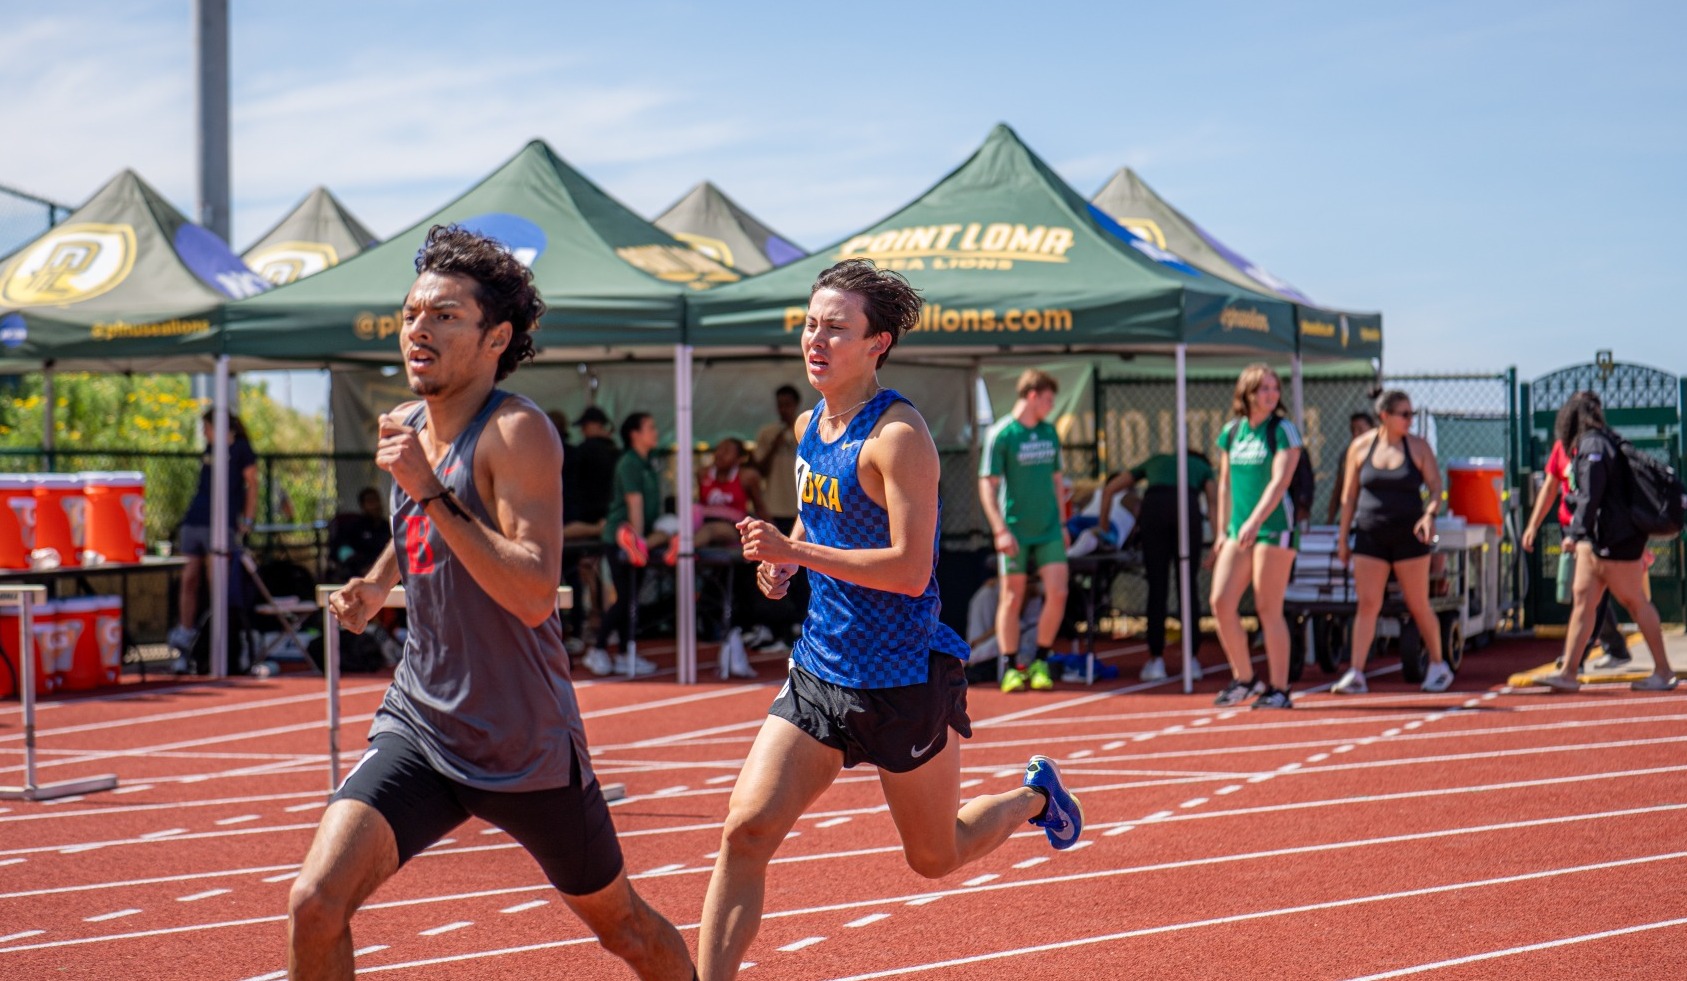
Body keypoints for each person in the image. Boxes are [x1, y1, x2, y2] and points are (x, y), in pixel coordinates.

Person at [288, 224, 694, 981]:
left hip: (521, 743)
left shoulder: (517, 432)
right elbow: (413, 527)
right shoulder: (407, 427)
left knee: (626, 929)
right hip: (421, 721)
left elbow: (535, 592)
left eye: (443, 315)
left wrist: (432, 491)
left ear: (495, 335)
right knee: (315, 900)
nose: (418, 329)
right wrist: (378, 584)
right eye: (411, 313)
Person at [699, 259, 1082, 981]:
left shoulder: (898, 434)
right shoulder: (811, 422)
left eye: (835, 329)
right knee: (744, 831)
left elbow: (909, 570)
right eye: (810, 325)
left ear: (876, 343)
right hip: (819, 671)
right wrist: (783, 564)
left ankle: (1034, 796)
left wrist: (799, 549)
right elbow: (817, 524)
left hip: (901, 677)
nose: (816, 340)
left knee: (933, 856)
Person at [1540, 391, 1679, 693]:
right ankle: (1568, 673)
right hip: (1601, 539)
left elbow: (1591, 495)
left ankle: (1664, 671)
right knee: (1583, 603)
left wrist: (1575, 533)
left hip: (1615, 541)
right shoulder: (1601, 442)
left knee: (1635, 602)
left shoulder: (1593, 445)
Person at [1332, 390, 1455, 694]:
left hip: (1409, 538)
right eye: (1404, 414)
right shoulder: (1360, 447)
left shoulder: (1418, 447)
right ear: (1385, 416)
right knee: (1368, 604)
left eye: (1412, 414)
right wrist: (1343, 538)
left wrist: (1429, 514)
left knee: (1417, 603)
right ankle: (1357, 673)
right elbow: (1349, 497)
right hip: (1370, 535)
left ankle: (1439, 666)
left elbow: (1436, 488)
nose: (1410, 420)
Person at [1210, 363, 1302, 709]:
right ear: (1247, 393)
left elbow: (1280, 482)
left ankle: (1280, 688)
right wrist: (1223, 530)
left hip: (1273, 526)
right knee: (1220, 602)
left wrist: (1255, 520)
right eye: (1263, 388)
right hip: (1239, 529)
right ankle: (1246, 678)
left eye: (1274, 388)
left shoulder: (1283, 430)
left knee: (1267, 607)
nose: (1271, 394)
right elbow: (1225, 484)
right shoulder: (1232, 432)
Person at [979, 368, 1070, 693]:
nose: (1050, 406)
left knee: (1058, 592)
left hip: (1048, 529)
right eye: (1047, 400)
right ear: (1032, 396)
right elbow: (987, 485)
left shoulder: (1049, 432)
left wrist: (1061, 522)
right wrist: (999, 530)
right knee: (1013, 596)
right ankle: (1013, 666)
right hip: (1015, 529)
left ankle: (1041, 661)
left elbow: (1058, 480)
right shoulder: (1002, 434)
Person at [1522, 406, 1630, 670]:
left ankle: (1578, 657)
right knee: (1585, 593)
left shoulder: (1599, 445)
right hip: (1570, 529)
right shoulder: (1562, 448)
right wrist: (1533, 525)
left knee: (1590, 594)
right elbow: (1550, 487)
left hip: (1593, 529)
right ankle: (1613, 647)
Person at [582, 411, 671, 676]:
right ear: (635, 434)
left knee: (629, 597)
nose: (655, 432)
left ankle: (622, 653)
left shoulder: (648, 462)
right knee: (626, 597)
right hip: (619, 539)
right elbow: (635, 503)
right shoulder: (629, 463)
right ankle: (597, 648)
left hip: (637, 538)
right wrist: (639, 541)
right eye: (650, 427)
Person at [168, 409, 259, 662]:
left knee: (216, 581)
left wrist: (248, 519)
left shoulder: (240, 449)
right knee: (189, 578)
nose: (204, 432)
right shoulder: (209, 449)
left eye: (206, 427)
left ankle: (220, 635)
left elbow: (253, 483)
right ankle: (186, 633)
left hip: (221, 524)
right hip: (195, 519)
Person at [1130, 451, 1219, 682]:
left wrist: (1103, 526)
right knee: (1187, 586)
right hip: (1187, 511)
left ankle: (1156, 659)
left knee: (1156, 586)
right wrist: (1218, 540)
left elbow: (1111, 489)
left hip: (1153, 509)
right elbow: (1213, 501)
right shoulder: (1201, 467)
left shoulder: (1155, 460)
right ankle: (1191, 660)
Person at [695, 437, 767, 547]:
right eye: (718, 450)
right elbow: (701, 503)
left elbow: (759, 508)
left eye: (726, 451)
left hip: (732, 526)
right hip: (704, 521)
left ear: (740, 458)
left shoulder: (747, 477)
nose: (720, 454)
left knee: (710, 530)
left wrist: (773, 533)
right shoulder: (703, 473)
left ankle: (683, 552)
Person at [752, 385, 803, 533]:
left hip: (799, 507)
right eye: (780, 405)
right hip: (773, 506)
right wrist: (774, 446)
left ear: (796, 405)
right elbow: (759, 470)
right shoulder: (767, 433)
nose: (783, 409)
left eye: (788, 405)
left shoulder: (807, 430)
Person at [566, 405, 620, 538]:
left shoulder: (581, 451)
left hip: (586, 516)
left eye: (584, 426)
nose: (582, 431)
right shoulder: (617, 453)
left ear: (594, 425)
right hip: (613, 513)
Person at [1325, 411, 1378, 524]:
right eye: (1353, 430)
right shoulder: (1347, 455)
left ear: (1373, 429)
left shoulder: (1382, 453)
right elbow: (1339, 489)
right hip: (1353, 517)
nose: (1355, 434)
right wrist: (1330, 520)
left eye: (1360, 429)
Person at [327, 486, 390, 580]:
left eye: (377, 500)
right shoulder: (354, 527)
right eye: (370, 502)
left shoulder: (387, 527)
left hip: (385, 572)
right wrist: (359, 566)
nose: (376, 505)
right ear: (363, 505)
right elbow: (342, 551)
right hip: (359, 574)